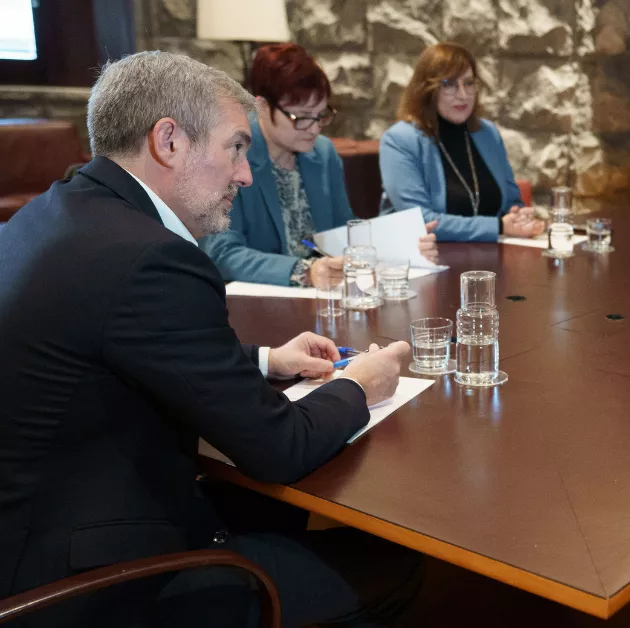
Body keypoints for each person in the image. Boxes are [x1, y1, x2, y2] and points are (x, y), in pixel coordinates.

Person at [0, 51, 421, 627]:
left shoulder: (53, 212)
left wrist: (268, 359)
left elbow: (121, 352)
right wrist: (358, 384)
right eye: (236, 147)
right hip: (86, 583)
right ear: (168, 140)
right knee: (394, 566)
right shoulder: (152, 258)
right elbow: (280, 450)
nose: (246, 175)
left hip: (36, 526)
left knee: (274, 516)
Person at [200, 43, 437, 286]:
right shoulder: (232, 154)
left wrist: (404, 244)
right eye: (301, 117)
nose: (314, 128)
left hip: (324, 295)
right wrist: (304, 271)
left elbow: (343, 232)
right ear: (261, 106)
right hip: (260, 300)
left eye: (321, 115)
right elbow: (221, 253)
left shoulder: (323, 153)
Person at [379, 42, 544, 242]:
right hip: (429, 260)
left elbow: (511, 201)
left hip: (491, 257)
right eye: (449, 84)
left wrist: (519, 216)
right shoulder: (400, 140)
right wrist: (498, 226)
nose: (463, 95)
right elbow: (421, 221)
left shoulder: (488, 133)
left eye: (468, 83)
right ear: (427, 90)